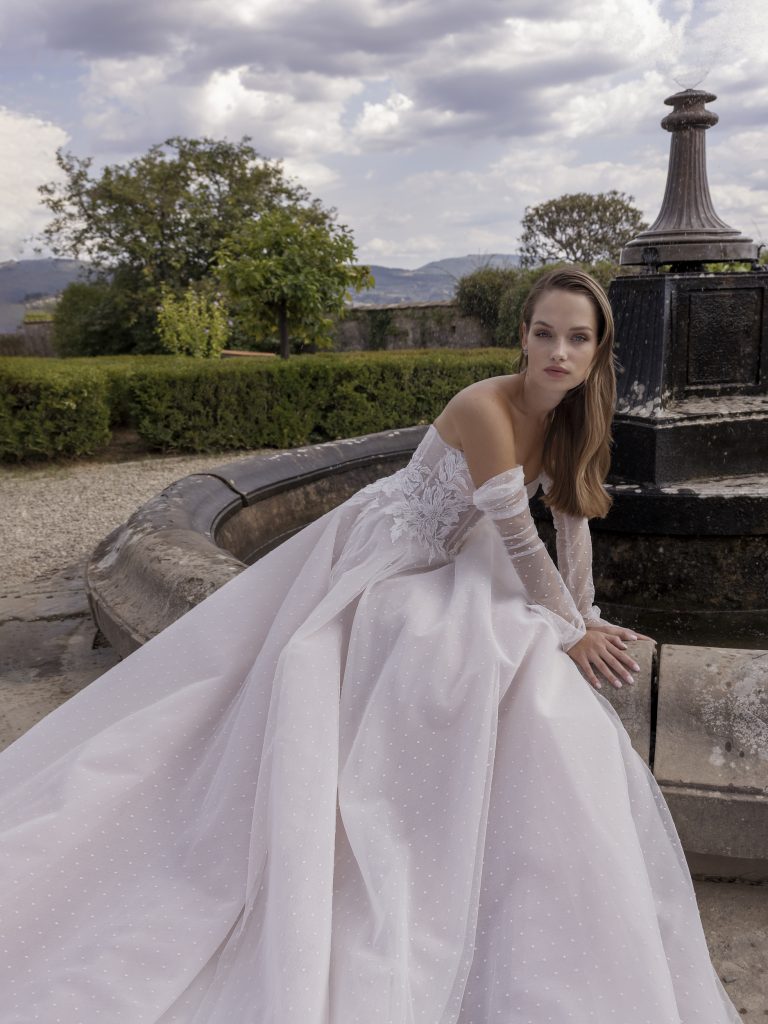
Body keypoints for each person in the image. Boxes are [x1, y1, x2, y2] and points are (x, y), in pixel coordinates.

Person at [0, 267, 742, 1023]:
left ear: (596, 352)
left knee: (516, 653)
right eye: (544, 333)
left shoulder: (574, 422)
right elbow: (519, 537)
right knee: (469, 648)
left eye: (576, 338)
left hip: (462, 552)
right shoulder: (485, 407)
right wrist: (565, 628)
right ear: (523, 336)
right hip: (393, 556)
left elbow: (572, 518)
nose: (558, 351)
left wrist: (584, 614)